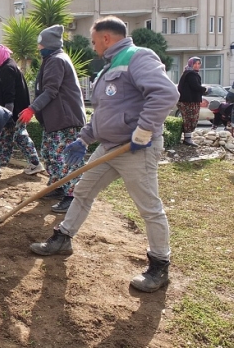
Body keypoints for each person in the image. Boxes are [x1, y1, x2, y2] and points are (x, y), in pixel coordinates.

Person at [29, 16, 179, 294]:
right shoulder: (108, 66)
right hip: (109, 146)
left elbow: (166, 94)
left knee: (149, 207)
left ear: (106, 38)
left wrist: (144, 131)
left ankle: (159, 265)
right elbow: (103, 114)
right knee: (82, 191)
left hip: (136, 149)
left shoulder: (138, 57)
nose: (94, 45)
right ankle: (63, 238)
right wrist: (84, 139)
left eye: (94, 40)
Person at [17, 24, 87, 213]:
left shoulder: (57, 60)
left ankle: (72, 195)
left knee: (63, 158)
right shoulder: (51, 59)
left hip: (65, 120)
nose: (39, 48)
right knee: (49, 153)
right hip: (55, 121)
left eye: (40, 45)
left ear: (49, 44)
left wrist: (32, 109)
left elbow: (51, 91)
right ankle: (57, 186)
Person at [0, 44, 44, 175]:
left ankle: (35, 163)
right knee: (5, 138)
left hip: (13, 113)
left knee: (20, 136)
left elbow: (9, 94)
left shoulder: (8, 69)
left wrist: (7, 114)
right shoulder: (5, 67)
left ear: (0, 57)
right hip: (11, 112)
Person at [177, 57, 208, 146]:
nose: (197, 66)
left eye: (199, 64)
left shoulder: (188, 73)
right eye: (195, 64)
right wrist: (205, 89)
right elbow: (195, 86)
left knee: (189, 119)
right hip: (189, 101)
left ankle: (187, 138)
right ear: (191, 64)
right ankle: (187, 139)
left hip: (189, 100)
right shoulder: (191, 74)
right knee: (190, 119)